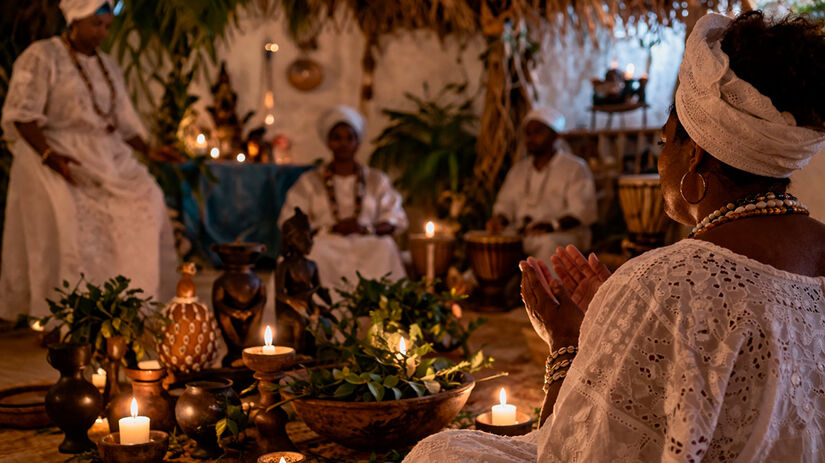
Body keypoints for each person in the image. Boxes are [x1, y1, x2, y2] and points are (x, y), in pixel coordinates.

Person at [405, 11, 825, 462]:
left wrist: (567, 342)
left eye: (664, 143)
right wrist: (621, 319)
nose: (660, 160)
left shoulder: (658, 281)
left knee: (439, 451)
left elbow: (570, 451)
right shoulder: (657, 286)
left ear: (695, 155)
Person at [0, 0, 179, 321]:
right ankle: (69, 314)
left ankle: (125, 306)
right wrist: (51, 157)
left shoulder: (107, 65)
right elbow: (22, 116)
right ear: (75, 20)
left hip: (107, 157)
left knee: (149, 198)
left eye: (108, 26)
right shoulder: (43, 55)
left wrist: (149, 149)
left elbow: (123, 122)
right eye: (96, 25)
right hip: (56, 152)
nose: (103, 33)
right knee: (73, 213)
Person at [278, 105, 408, 294]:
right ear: (328, 142)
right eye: (337, 138)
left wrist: (365, 229)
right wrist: (331, 229)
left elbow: (395, 219)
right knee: (314, 251)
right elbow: (290, 221)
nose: (343, 144)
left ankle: (381, 306)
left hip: (367, 242)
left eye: (349, 138)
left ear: (358, 142)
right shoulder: (309, 181)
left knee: (385, 246)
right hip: (324, 243)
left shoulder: (376, 180)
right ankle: (319, 309)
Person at [486, 106, 597, 262]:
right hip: (523, 234)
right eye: (527, 133)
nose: (530, 138)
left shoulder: (575, 167)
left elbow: (581, 210)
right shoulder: (518, 170)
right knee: (492, 242)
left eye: (537, 132)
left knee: (548, 244)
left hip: (562, 234)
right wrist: (500, 220)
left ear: (555, 136)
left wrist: (552, 225)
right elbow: (505, 204)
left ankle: (546, 279)